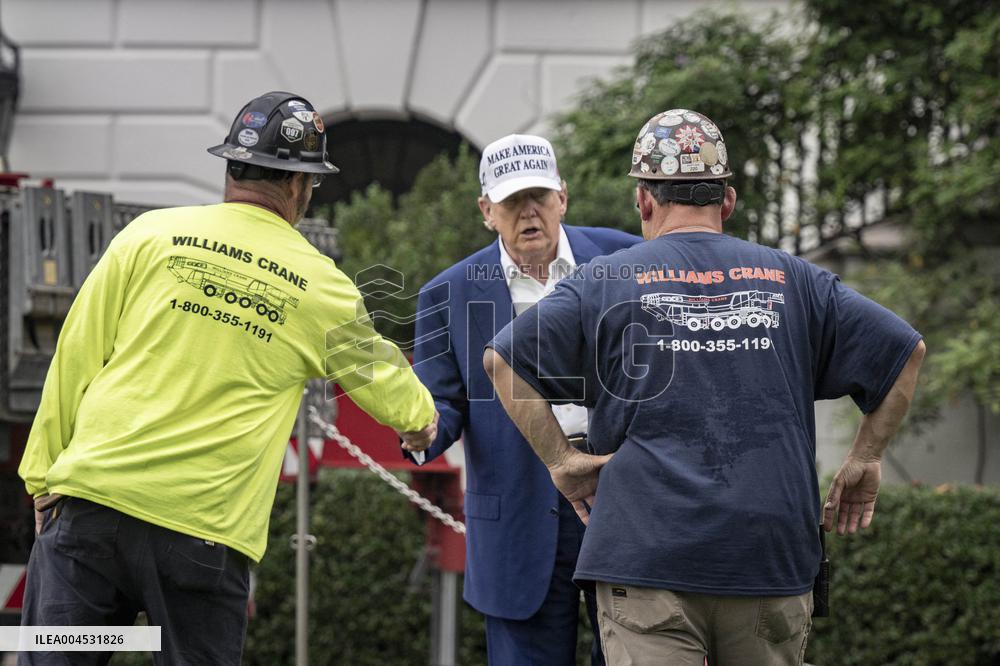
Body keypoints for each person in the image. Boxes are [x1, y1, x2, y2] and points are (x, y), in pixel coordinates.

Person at [484, 109, 926, 665]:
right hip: (771, 560)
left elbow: (502, 360)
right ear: (728, 201)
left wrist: (562, 462)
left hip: (644, 561)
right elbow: (905, 350)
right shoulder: (796, 279)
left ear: (644, 201)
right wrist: (865, 457)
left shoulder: (606, 280)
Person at [17, 91, 438, 665]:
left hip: (92, 512)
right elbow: (386, 380)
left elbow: (76, 357)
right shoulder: (321, 286)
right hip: (201, 538)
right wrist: (419, 425)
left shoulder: (148, 236)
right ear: (300, 186)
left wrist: (42, 477)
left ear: (231, 168)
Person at [406, 134, 639, 665]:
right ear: (487, 210)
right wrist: (417, 427)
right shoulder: (448, 293)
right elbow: (442, 407)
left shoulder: (629, 257)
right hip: (516, 520)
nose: (528, 212)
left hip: (624, 503)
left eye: (538, 196)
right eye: (512, 201)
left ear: (563, 196)